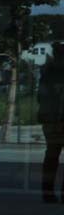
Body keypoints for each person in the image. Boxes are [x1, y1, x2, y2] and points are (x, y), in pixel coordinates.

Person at [38, 43, 64, 203]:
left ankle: (47, 193)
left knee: (51, 156)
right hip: (54, 120)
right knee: (52, 156)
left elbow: (40, 97)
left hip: (51, 120)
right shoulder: (52, 73)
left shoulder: (48, 73)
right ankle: (51, 193)